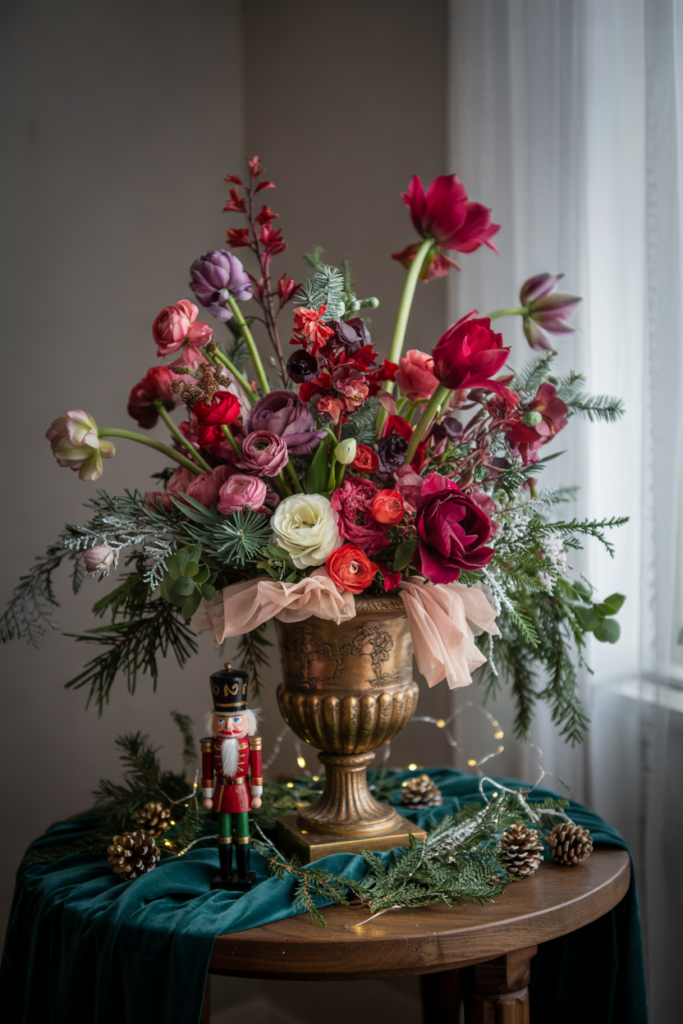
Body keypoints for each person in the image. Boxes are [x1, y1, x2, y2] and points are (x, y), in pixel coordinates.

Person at [201, 663, 263, 890]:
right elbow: (207, 772)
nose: (228, 725)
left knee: (243, 833)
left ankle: (244, 871)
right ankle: (226, 872)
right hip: (221, 792)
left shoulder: (251, 744)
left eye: (236, 719)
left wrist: (257, 793)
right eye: (221, 720)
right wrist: (207, 795)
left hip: (242, 791)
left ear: (247, 721)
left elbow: (256, 770)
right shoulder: (210, 745)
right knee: (224, 834)